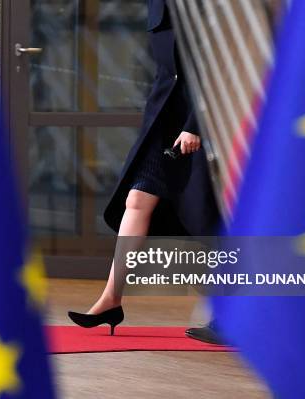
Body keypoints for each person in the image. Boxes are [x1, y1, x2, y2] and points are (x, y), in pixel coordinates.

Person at [67, 0, 223, 344]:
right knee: (136, 199)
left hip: (210, 122)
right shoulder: (159, 7)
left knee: (213, 220)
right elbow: (166, 72)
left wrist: (195, 125)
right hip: (164, 119)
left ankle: (229, 314)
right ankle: (110, 299)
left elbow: (220, 65)